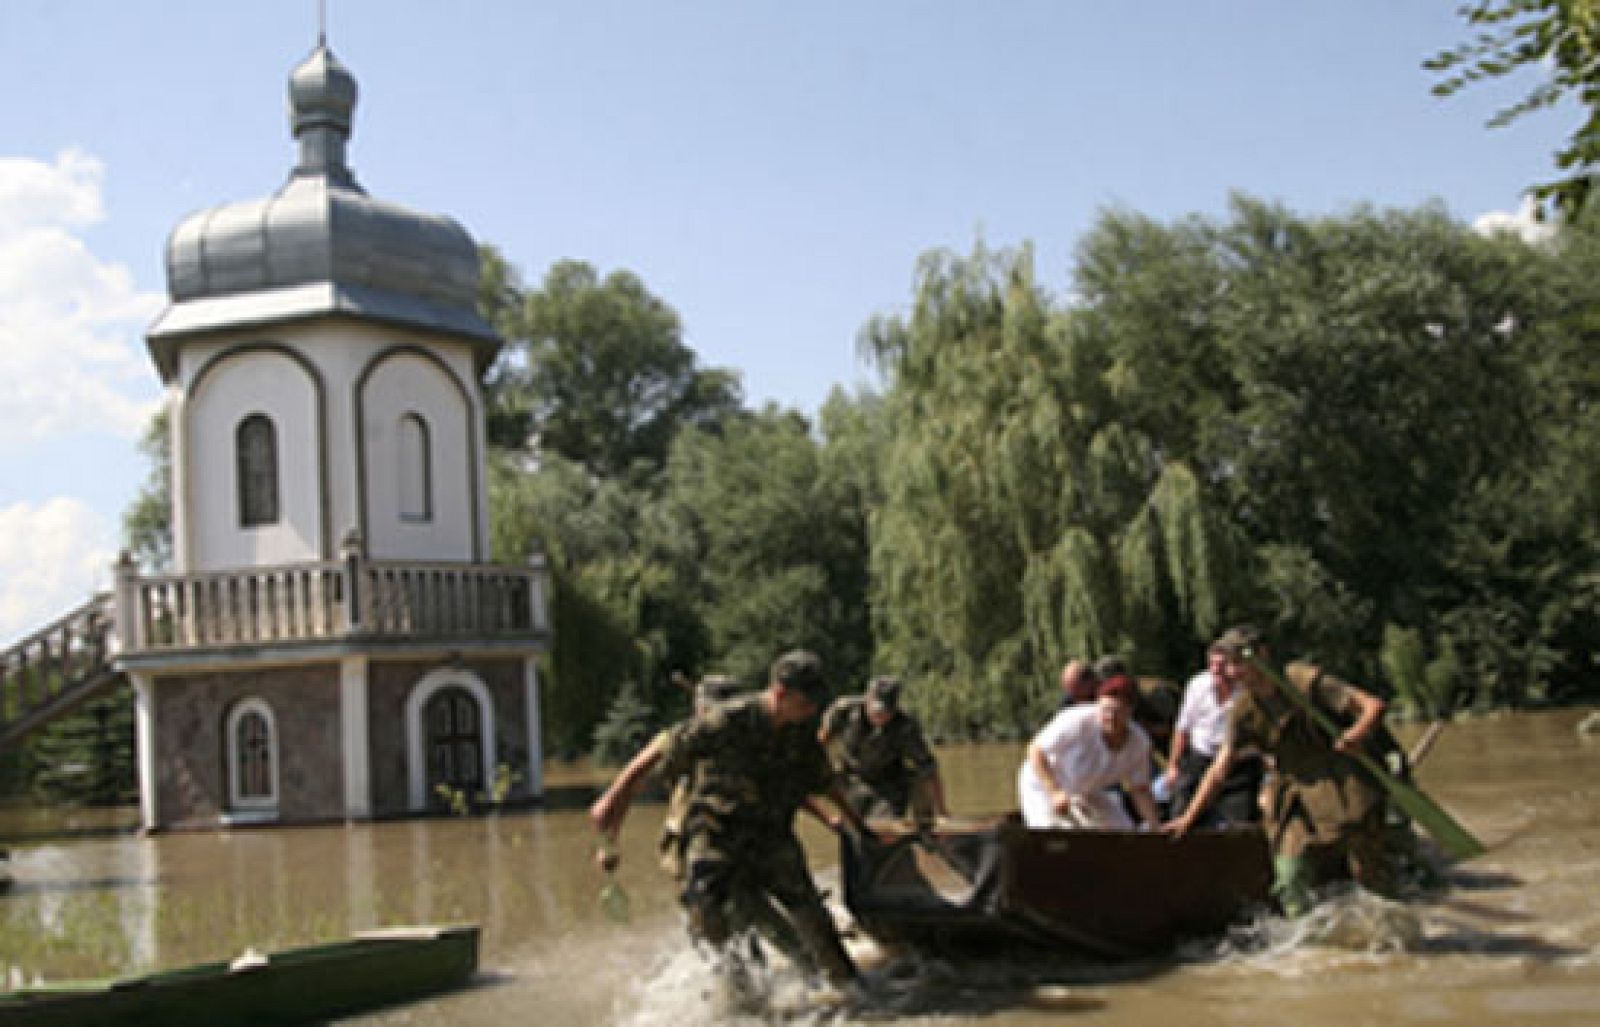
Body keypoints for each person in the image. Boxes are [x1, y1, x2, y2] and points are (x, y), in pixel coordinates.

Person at [589, 650, 871, 987]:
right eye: (805, 701)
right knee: (711, 916)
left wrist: (859, 825)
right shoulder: (729, 720)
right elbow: (657, 755)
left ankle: (851, 991)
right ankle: (739, 999)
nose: (812, 708)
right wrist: (611, 809)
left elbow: (823, 781)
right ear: (780, 693)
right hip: (717, 835)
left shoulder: (801, 729)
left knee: (812, 916)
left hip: (771, 836)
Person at [1166, 626, 1396, 916]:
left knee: (1367, 865)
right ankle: (1304, 944)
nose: (1232, 672)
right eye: (1229, 664)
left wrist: (1356, 733)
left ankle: (1392, 923)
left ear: (1262, 656)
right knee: (1289, 873)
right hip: (1293, 789)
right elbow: (1219, 769)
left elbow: (1373, 706)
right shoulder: (1243, 710)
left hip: (1341, 776)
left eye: (1239, 663)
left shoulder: (1302, 680)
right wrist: (1188, 818)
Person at [1018, 675, 1163, 829]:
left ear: (1130, 711)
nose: (1110, 717)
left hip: (1085, 790)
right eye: (1105, 710)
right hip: (1042, 783)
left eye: (1117, 711)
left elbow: (1140, 789)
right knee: (1052, 830)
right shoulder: (1076, 720)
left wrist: (1155, 826)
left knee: (1123, 829)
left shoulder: (1139, 742)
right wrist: (1055, 792)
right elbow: (1035, 750)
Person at [818, 675, 950, 822]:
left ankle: (925, 828)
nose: (881, 715)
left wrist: (942, 811)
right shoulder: (843, 710)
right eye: (877, 710)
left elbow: (929, 769)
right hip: (850, 776)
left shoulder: (905, 725)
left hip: (888, 782)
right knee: (852, 826)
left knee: (916, 781)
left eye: (887, 711)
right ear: (867, 699)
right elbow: (820, 742)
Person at [1160, 642, 1263, 827]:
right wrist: (1173, 766)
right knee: (1180, 812)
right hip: (1200, 758)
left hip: (1239, 763)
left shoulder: (1249, 693)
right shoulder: (1198, 685)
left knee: (1239, 823)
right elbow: (1182, 728)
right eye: (1212, 664)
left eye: (1222, 665)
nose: (1216, 670)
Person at [656, 673, 742, 881]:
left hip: (734, 838)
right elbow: (648, 774)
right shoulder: (681, 738)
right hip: (695, 836)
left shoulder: (743, 739)